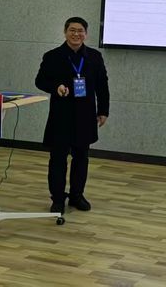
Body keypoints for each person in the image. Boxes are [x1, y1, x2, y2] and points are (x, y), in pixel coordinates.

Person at [35, 17, 109, 214]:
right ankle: (58, 198)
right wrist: (56, 86)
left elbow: (102, 85)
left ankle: (77, 195)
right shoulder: (53, 56)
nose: (76, 34)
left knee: (81, 158)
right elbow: (40, 81)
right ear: (65, 32)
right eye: (72, 30)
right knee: (58, 159)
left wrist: (103, 111)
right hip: (61, 116)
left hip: (85, 116)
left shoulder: (94, 57)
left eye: (80, 31)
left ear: (86, 34)